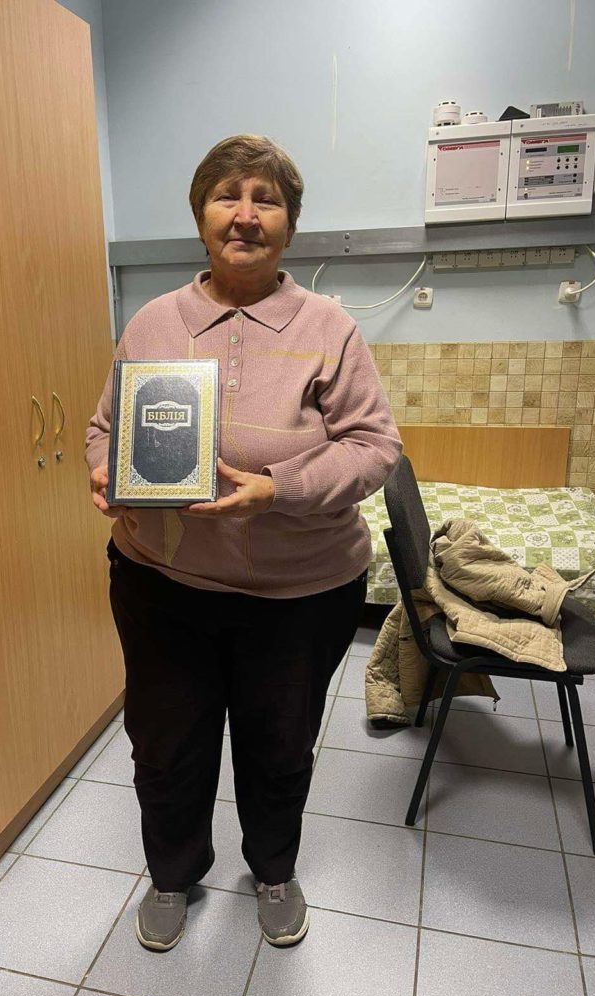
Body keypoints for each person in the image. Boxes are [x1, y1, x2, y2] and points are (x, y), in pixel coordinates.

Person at [85, 134, 401, 952]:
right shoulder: (154, 322)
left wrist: (278, 489)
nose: (246, 214)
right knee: (167, 744)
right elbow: (106, 427)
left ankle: (272, 869)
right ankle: (172, 875)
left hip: (299, 596)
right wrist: (101, 471)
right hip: (163, 585)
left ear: (290, 225)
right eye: (229, 195)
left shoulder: (329, 327)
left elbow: (375, 449)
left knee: (278, 745)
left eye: (267, 199)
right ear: (201, 215)